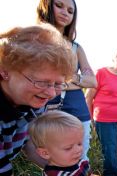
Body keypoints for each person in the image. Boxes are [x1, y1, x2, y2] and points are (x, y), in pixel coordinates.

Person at [0, 24, 117, 176]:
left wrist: (70, 170)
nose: (52, 93)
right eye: (42, 82)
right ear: (4, 70)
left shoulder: (33, 98)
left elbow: (29, 141)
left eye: (58, 84)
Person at [37, 0, 97, 161]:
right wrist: (72, 82)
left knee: (80, 158)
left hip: (78, 111)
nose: (65, 12)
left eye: (70, 11)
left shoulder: (76, 47)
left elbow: (92, 81)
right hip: (45, 110)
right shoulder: (34, 41)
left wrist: (69, 80)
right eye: (59, 6)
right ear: (47, 6)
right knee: (50, 160)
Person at [85, 47, 117, 176]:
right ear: (114, 58)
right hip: (105, 120)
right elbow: (88, 98)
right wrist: (90, 119)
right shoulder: (101, 73)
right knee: (110, 150)